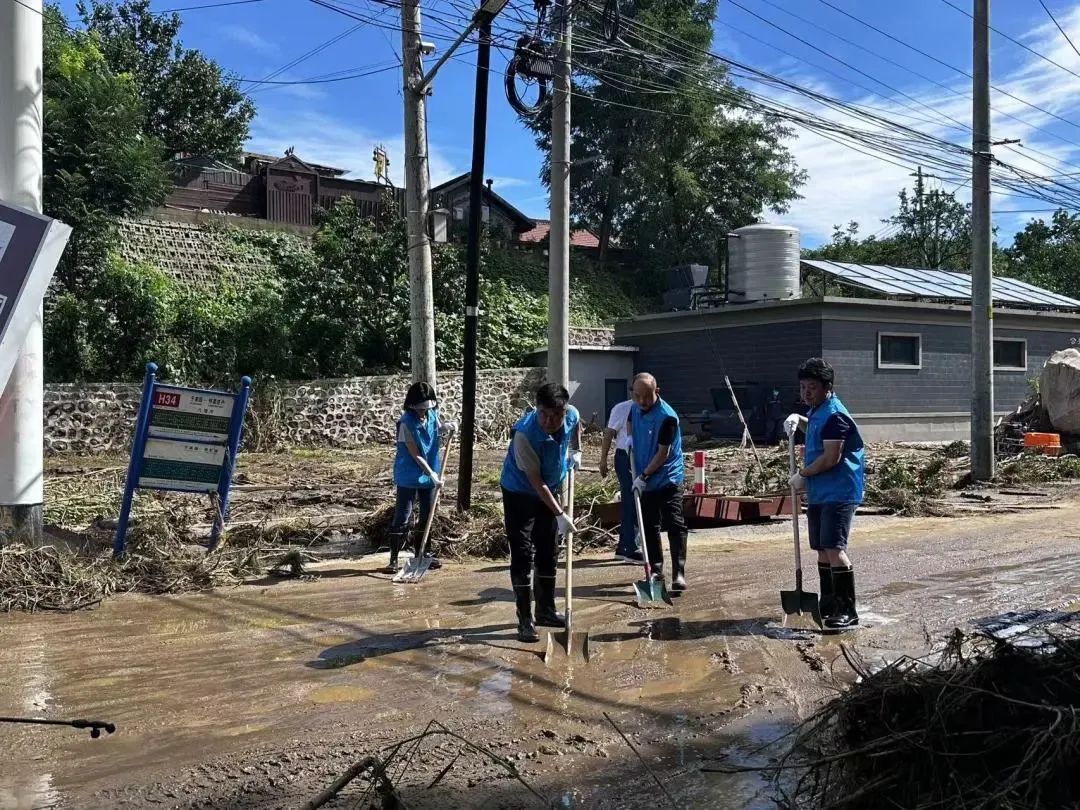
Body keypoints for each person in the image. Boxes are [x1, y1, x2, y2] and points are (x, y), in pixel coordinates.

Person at [783, 358, 865, 630]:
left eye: (812, 388)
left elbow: (831, 457)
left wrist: (803, 475)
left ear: (827, 387)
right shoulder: (818, 412)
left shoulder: (835, 415)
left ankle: (847, 610)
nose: (806, 393)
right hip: (821, 492)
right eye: (803, 387)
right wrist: (800, 421)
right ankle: (828, 604)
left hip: (838, 492)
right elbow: (818, 430)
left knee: (834, 548)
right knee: (821, 548)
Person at [500, 382, 582, 643]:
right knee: (523, 552)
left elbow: (575, 425)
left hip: (550, 487)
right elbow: (536, 483)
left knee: (548, 548)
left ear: (564, 410)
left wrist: (576, 450)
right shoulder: (524, 435)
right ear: (537, 409)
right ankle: (525, 619)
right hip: (520, 492)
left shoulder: (571, 415)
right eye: (544, 414)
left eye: (556, 415)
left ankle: (545, 610)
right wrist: (560, 514)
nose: (549, 421)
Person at [627, 373, 689, 593]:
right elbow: (630, 421)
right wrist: (629, 438)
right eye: (637, 396)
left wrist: (643, 477)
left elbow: (663, 453)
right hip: (644, 476)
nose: (642, 401)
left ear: (657, 392)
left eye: (647, 396)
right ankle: (656, 571)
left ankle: (679, 573)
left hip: (667, 477)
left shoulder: (667, 417)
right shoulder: (634, 408)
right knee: (649, 525)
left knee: (674, 523)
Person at [385, 382, 454, 574]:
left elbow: (437, 428)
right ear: (412, 405)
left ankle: (423, 553)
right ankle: (393, 560)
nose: (423, 411)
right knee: (403, 516)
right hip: (409, 473)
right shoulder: (405, 423)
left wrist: (448, 427)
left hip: (431, 472)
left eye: (426, 407)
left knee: (427, 514)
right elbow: (415, 454)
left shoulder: (432, 414)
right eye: (420, 408)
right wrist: (431, 474)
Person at [598, 392, 643, 564]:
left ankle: (625, 546)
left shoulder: (650, 408)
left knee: (638, 501)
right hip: (626, 457)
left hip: (642, 458)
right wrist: (603, 460)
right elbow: (609, 433)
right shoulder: (622, 408)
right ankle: (630, 548)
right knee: (631, 500)